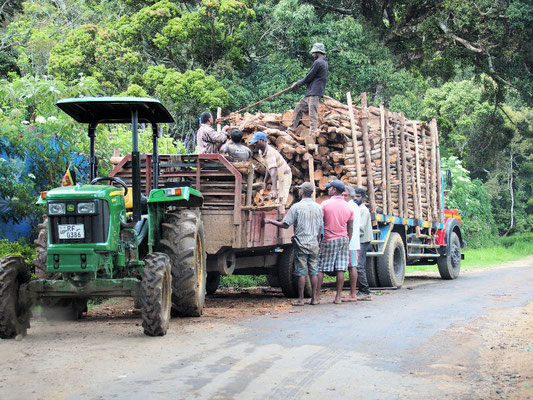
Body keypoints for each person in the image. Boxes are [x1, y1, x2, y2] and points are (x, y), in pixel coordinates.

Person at [264, 182, 323, 306]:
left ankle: (301, 299)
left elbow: (285, 225)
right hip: (313, 243)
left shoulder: (296, 207)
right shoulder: (318, 207)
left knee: (301, 272)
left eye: (300, 190)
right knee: (313, 271)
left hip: (301, 243)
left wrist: (270, 221)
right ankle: (315, 299)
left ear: (302, 192)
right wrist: (317, 241)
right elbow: (319, 228)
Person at [316, 179, 354, 304]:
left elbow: (319, 224)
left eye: (330, 188)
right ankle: (338, 297)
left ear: (334, 190)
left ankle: (316, 297)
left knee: (321, 268)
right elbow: (350, 226)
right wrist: (348, 238)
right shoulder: (348, 207)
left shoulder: (325, 204)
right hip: (343, 239)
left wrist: (318, 239)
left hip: (329, 239)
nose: (327, 189)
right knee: (341, 268)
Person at [288, 43, 328, 137]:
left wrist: (297, 84)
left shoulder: (318, 62)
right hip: (311, 92)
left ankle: (313, 133)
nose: (312, 54)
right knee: (298, 108)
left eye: (313, 52)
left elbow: (309, 76)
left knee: (312, 113)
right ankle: (291, 129)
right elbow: (311, 77)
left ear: (318, 52)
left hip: (315, 92)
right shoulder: (323, 62)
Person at [249, 131, 292, 208]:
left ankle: (281, 217)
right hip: (279, 175)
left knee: (281, 199)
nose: (254, 144)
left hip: (285, 175)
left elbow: (273, 171)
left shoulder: (270, 152)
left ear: (263, 141)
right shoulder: (261, 151)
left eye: (256, 142)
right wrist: (264, 183)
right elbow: (268, 168)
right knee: (276, 200)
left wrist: (274, 189)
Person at [355, 187, 373, 301]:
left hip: (362, 240)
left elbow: (360, 227)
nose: (356, 198)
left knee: (359, 265)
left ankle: (365, 291)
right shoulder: (359, 209)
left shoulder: (363, 210)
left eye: (358, 196)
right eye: (355, 196)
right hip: (361, 239)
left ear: (363, 197)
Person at [343, 186, 360, 302]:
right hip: (351, 240)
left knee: (352, 266)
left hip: (351, 242)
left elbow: (350, 225)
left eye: (346, 195)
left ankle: (353, 293)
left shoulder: (351, 207)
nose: (343, 197)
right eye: (342, 195)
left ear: (352, 197)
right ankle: (351, 292)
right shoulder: (352, 206)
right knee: (350, 266)